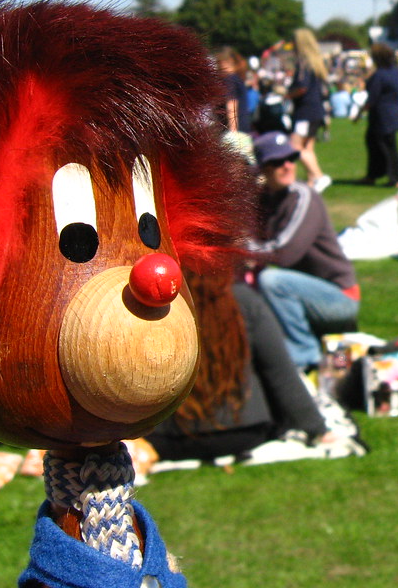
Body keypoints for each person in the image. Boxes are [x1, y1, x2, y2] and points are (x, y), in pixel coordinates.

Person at [147, 274, 365, 464]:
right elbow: (280, 372)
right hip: (244, 432)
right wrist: (318, 429)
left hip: (168, 439)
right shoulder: (242, 299)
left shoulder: (151, 304)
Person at [248, 131, 360, 371]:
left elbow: (284, 252)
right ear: (263, 168)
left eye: (291, 158)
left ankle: (305, 357)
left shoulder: (303, 196)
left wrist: (241, 248)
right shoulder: (265, 199)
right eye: (278, 161)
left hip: (340, 295)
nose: (287, 165)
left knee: (271, 281)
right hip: (306, 291)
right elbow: (249, 237)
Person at [355, 42, 398, 186]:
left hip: (381, 116)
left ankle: (394, 178)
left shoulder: (379, 75)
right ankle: (374, 175)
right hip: (392, 113)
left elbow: (372, 98)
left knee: (385, 147)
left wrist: (359, 113)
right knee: (379, 144)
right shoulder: (395, 72)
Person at [289, 28, 331, 192]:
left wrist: (287, 95)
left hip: (305, 112)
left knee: (295, 146)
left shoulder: (304, 62)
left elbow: (302, 87)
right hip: (316, 110)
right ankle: (312, 183)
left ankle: (319, 177)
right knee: (307, 148)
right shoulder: (316, 62)